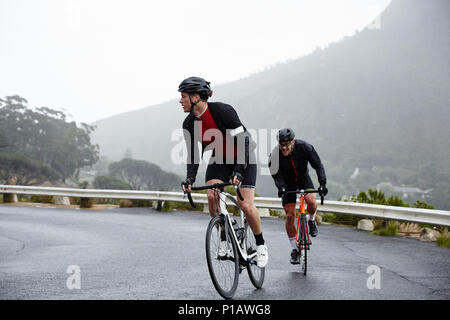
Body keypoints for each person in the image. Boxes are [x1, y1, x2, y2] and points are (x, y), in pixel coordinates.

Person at [178, 76, 268, 268]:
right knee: (212, 195)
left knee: (245, 205)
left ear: (195, 97)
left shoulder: (222, 111)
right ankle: (225, 238)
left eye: (183, 96)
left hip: (244, 157)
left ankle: (261, 246)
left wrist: (239, 171)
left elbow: (243, 140)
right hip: (220, 159)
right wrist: (190, 178)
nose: (180, 101)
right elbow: (194, 155)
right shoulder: (188, 124)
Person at [268, 128, 328, 264]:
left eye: (286, 144)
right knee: (290, 215)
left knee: (311, 201)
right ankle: (295, 249)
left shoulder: (304, 147)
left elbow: (318, 165)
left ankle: (311, 220)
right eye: (281, 145)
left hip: (303, 179)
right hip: (287, 184)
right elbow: (276, 175)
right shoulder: (274, 156)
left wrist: (322, 184)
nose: (284, 148)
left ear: (293, 142)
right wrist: (281, 187)